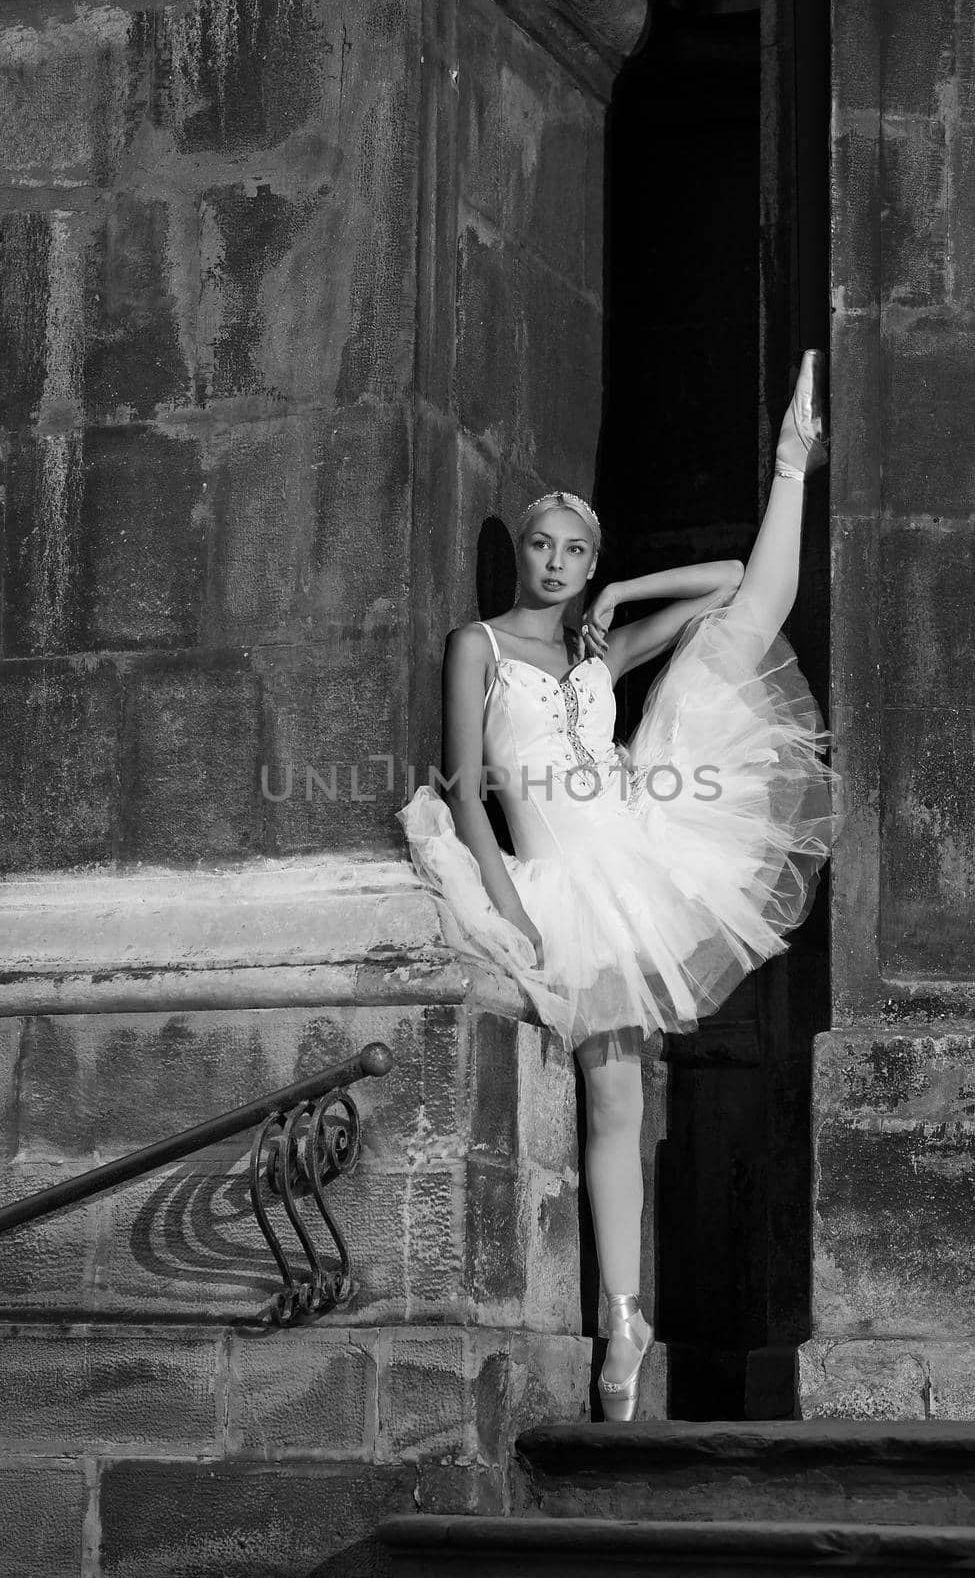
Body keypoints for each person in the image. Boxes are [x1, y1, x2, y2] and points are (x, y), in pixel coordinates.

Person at [396, 351, 840, 1421]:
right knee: (611, 1091)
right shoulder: (480, 649)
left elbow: (734, 587)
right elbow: (466, 798)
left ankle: (626, 1319)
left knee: (626, 1096)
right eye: (541, 545)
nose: (553, 562)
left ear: (590, 564)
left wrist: (632, 591)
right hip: (552, 883)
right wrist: (511, 919)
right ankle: (623, 1319)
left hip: (636, 848)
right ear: (522, 558)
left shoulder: (600, 657)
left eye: (573, 550)